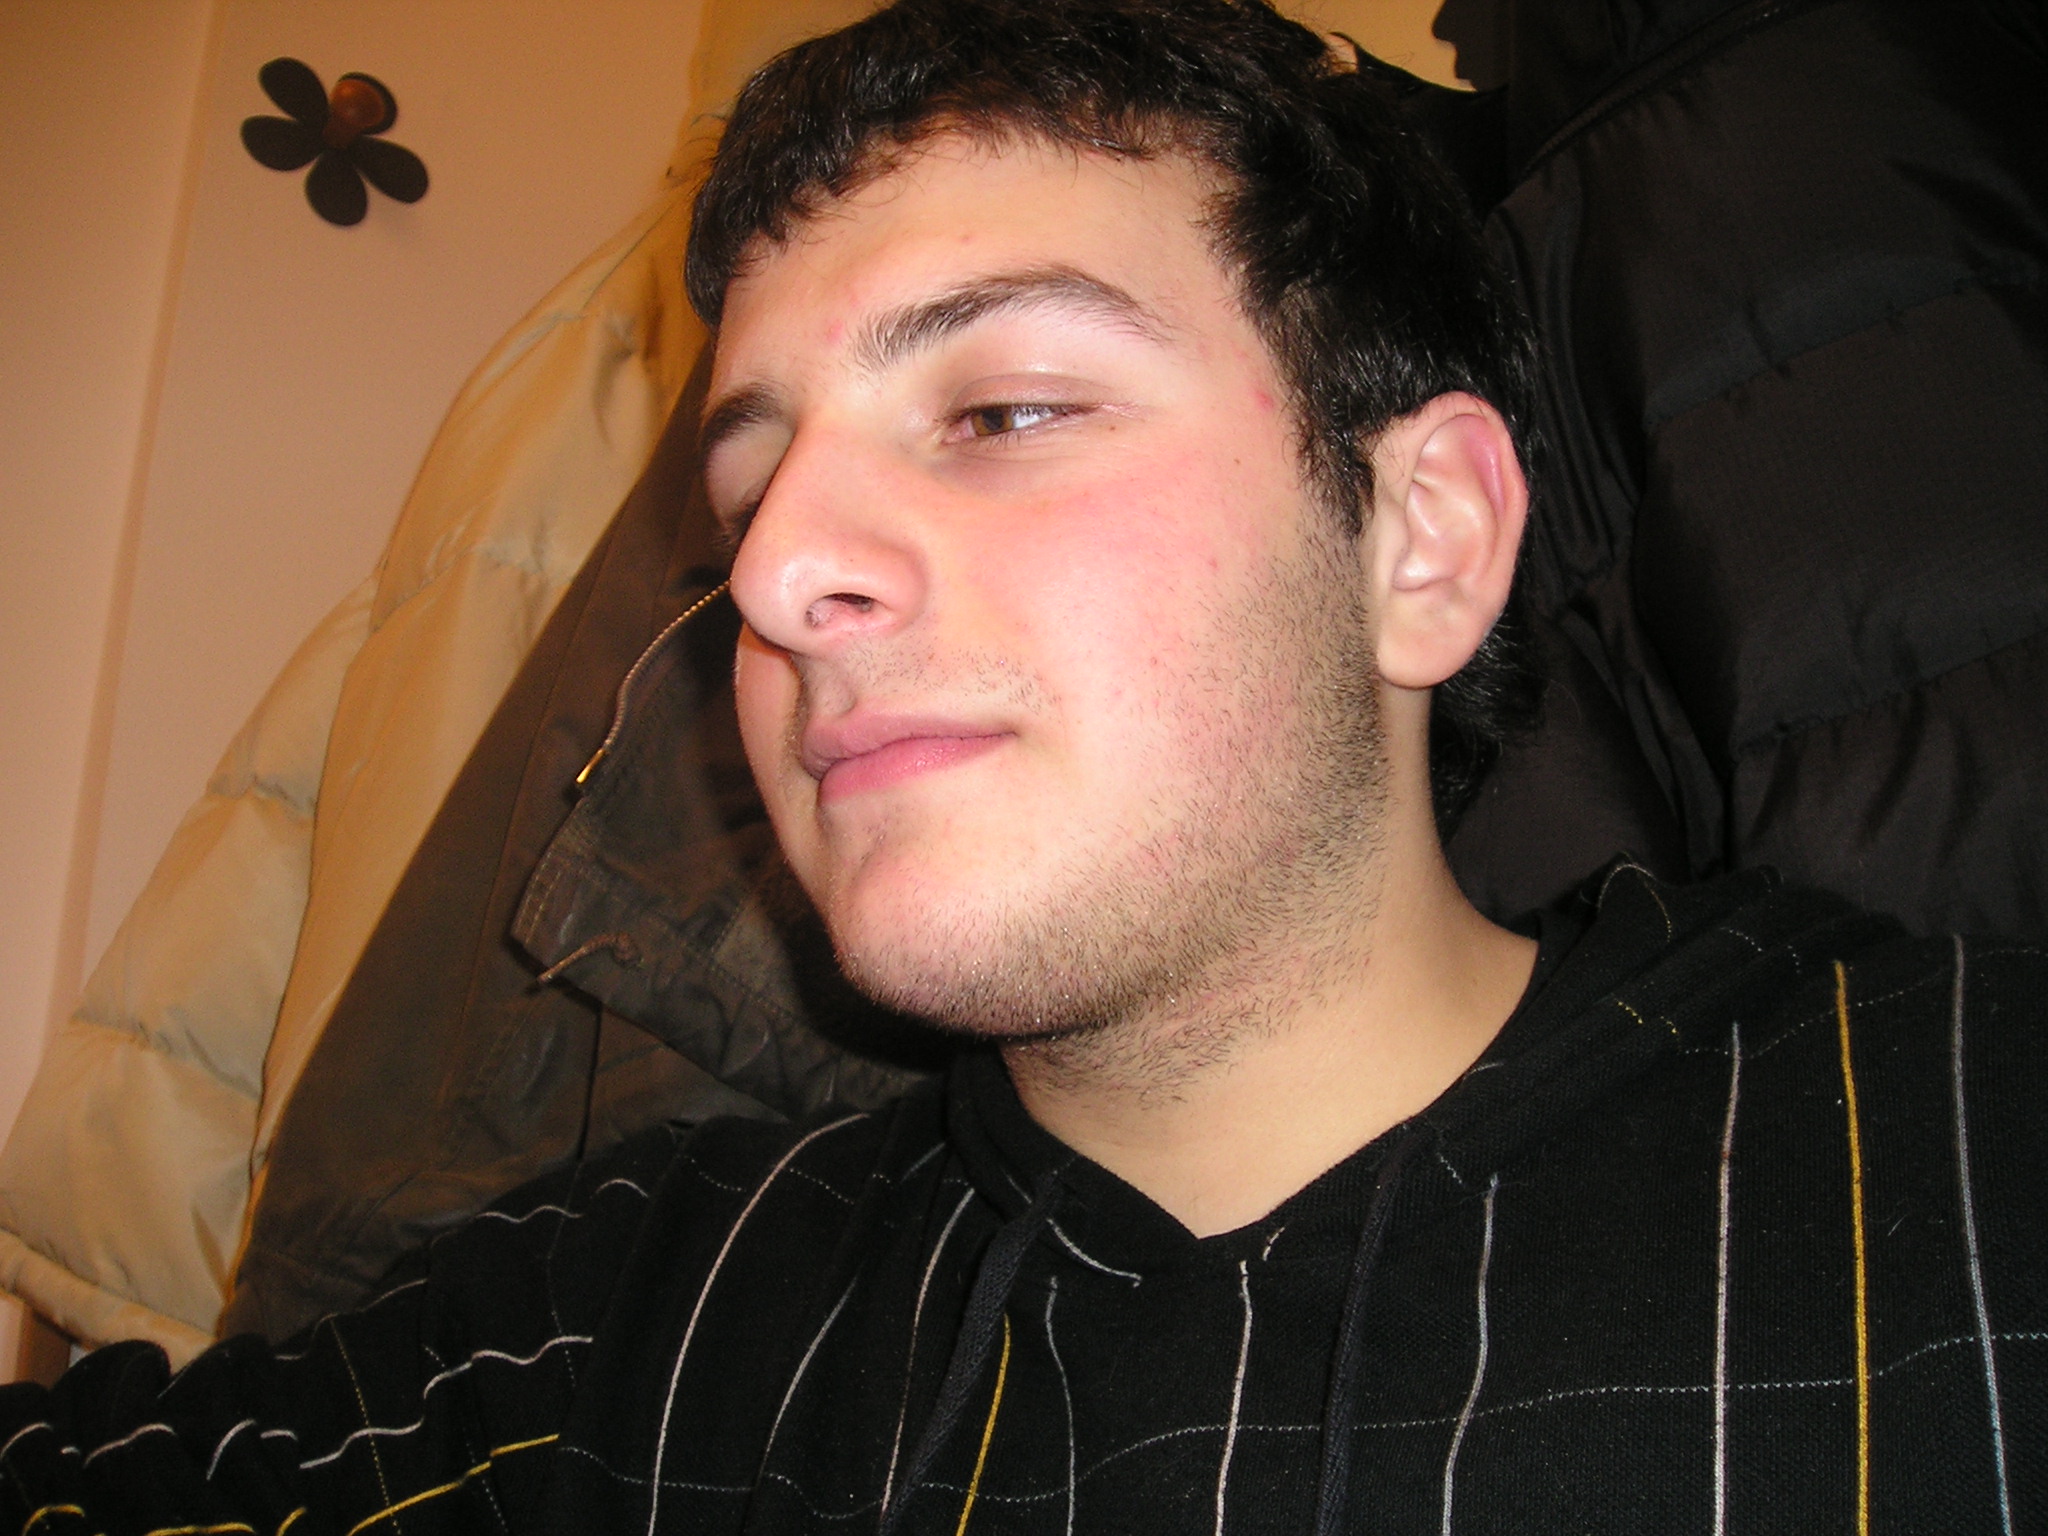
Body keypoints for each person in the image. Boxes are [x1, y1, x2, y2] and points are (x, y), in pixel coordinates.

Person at [3, 1, 2040, 1532]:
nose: (775, 580)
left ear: (1421, 540)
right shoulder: (627, 1337)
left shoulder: (1969, 1164)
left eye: (1004, 412)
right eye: (748, 500)